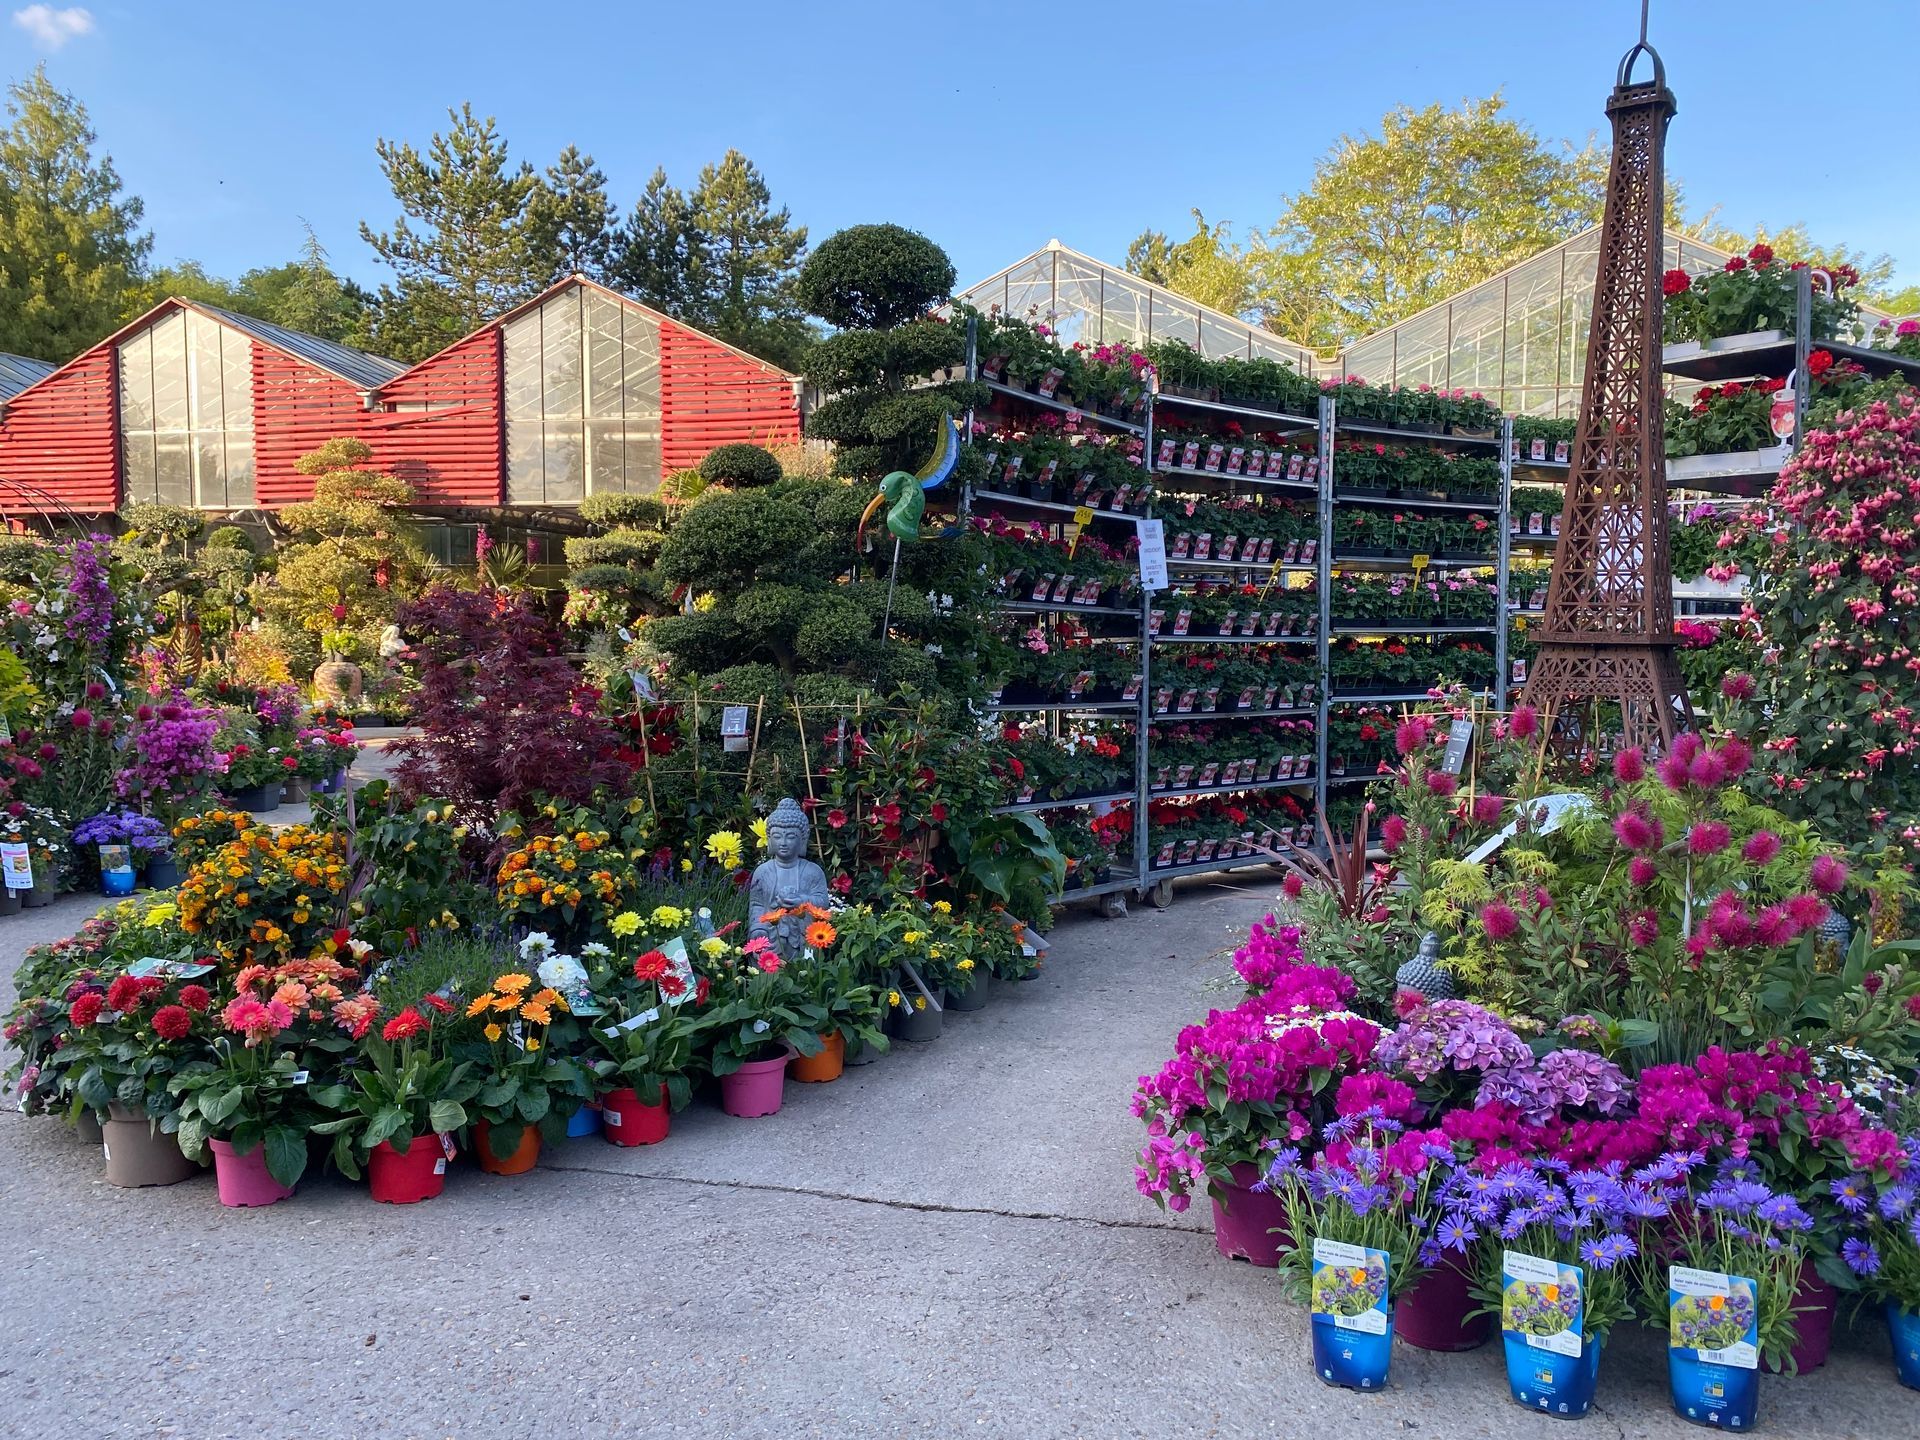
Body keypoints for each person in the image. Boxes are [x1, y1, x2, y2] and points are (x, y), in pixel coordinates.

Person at [747, 798, 832, 959]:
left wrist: (802, 901)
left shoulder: (813, 871)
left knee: (804, 975)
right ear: (769, 839)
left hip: (803, 936)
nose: (783, 843)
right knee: (767, 977)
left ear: (802, 839)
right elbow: (757, 905)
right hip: (770, 937)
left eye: (791, 837)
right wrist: (758, 930)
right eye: (777, 837)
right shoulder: (763, 872)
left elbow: (823, 903)